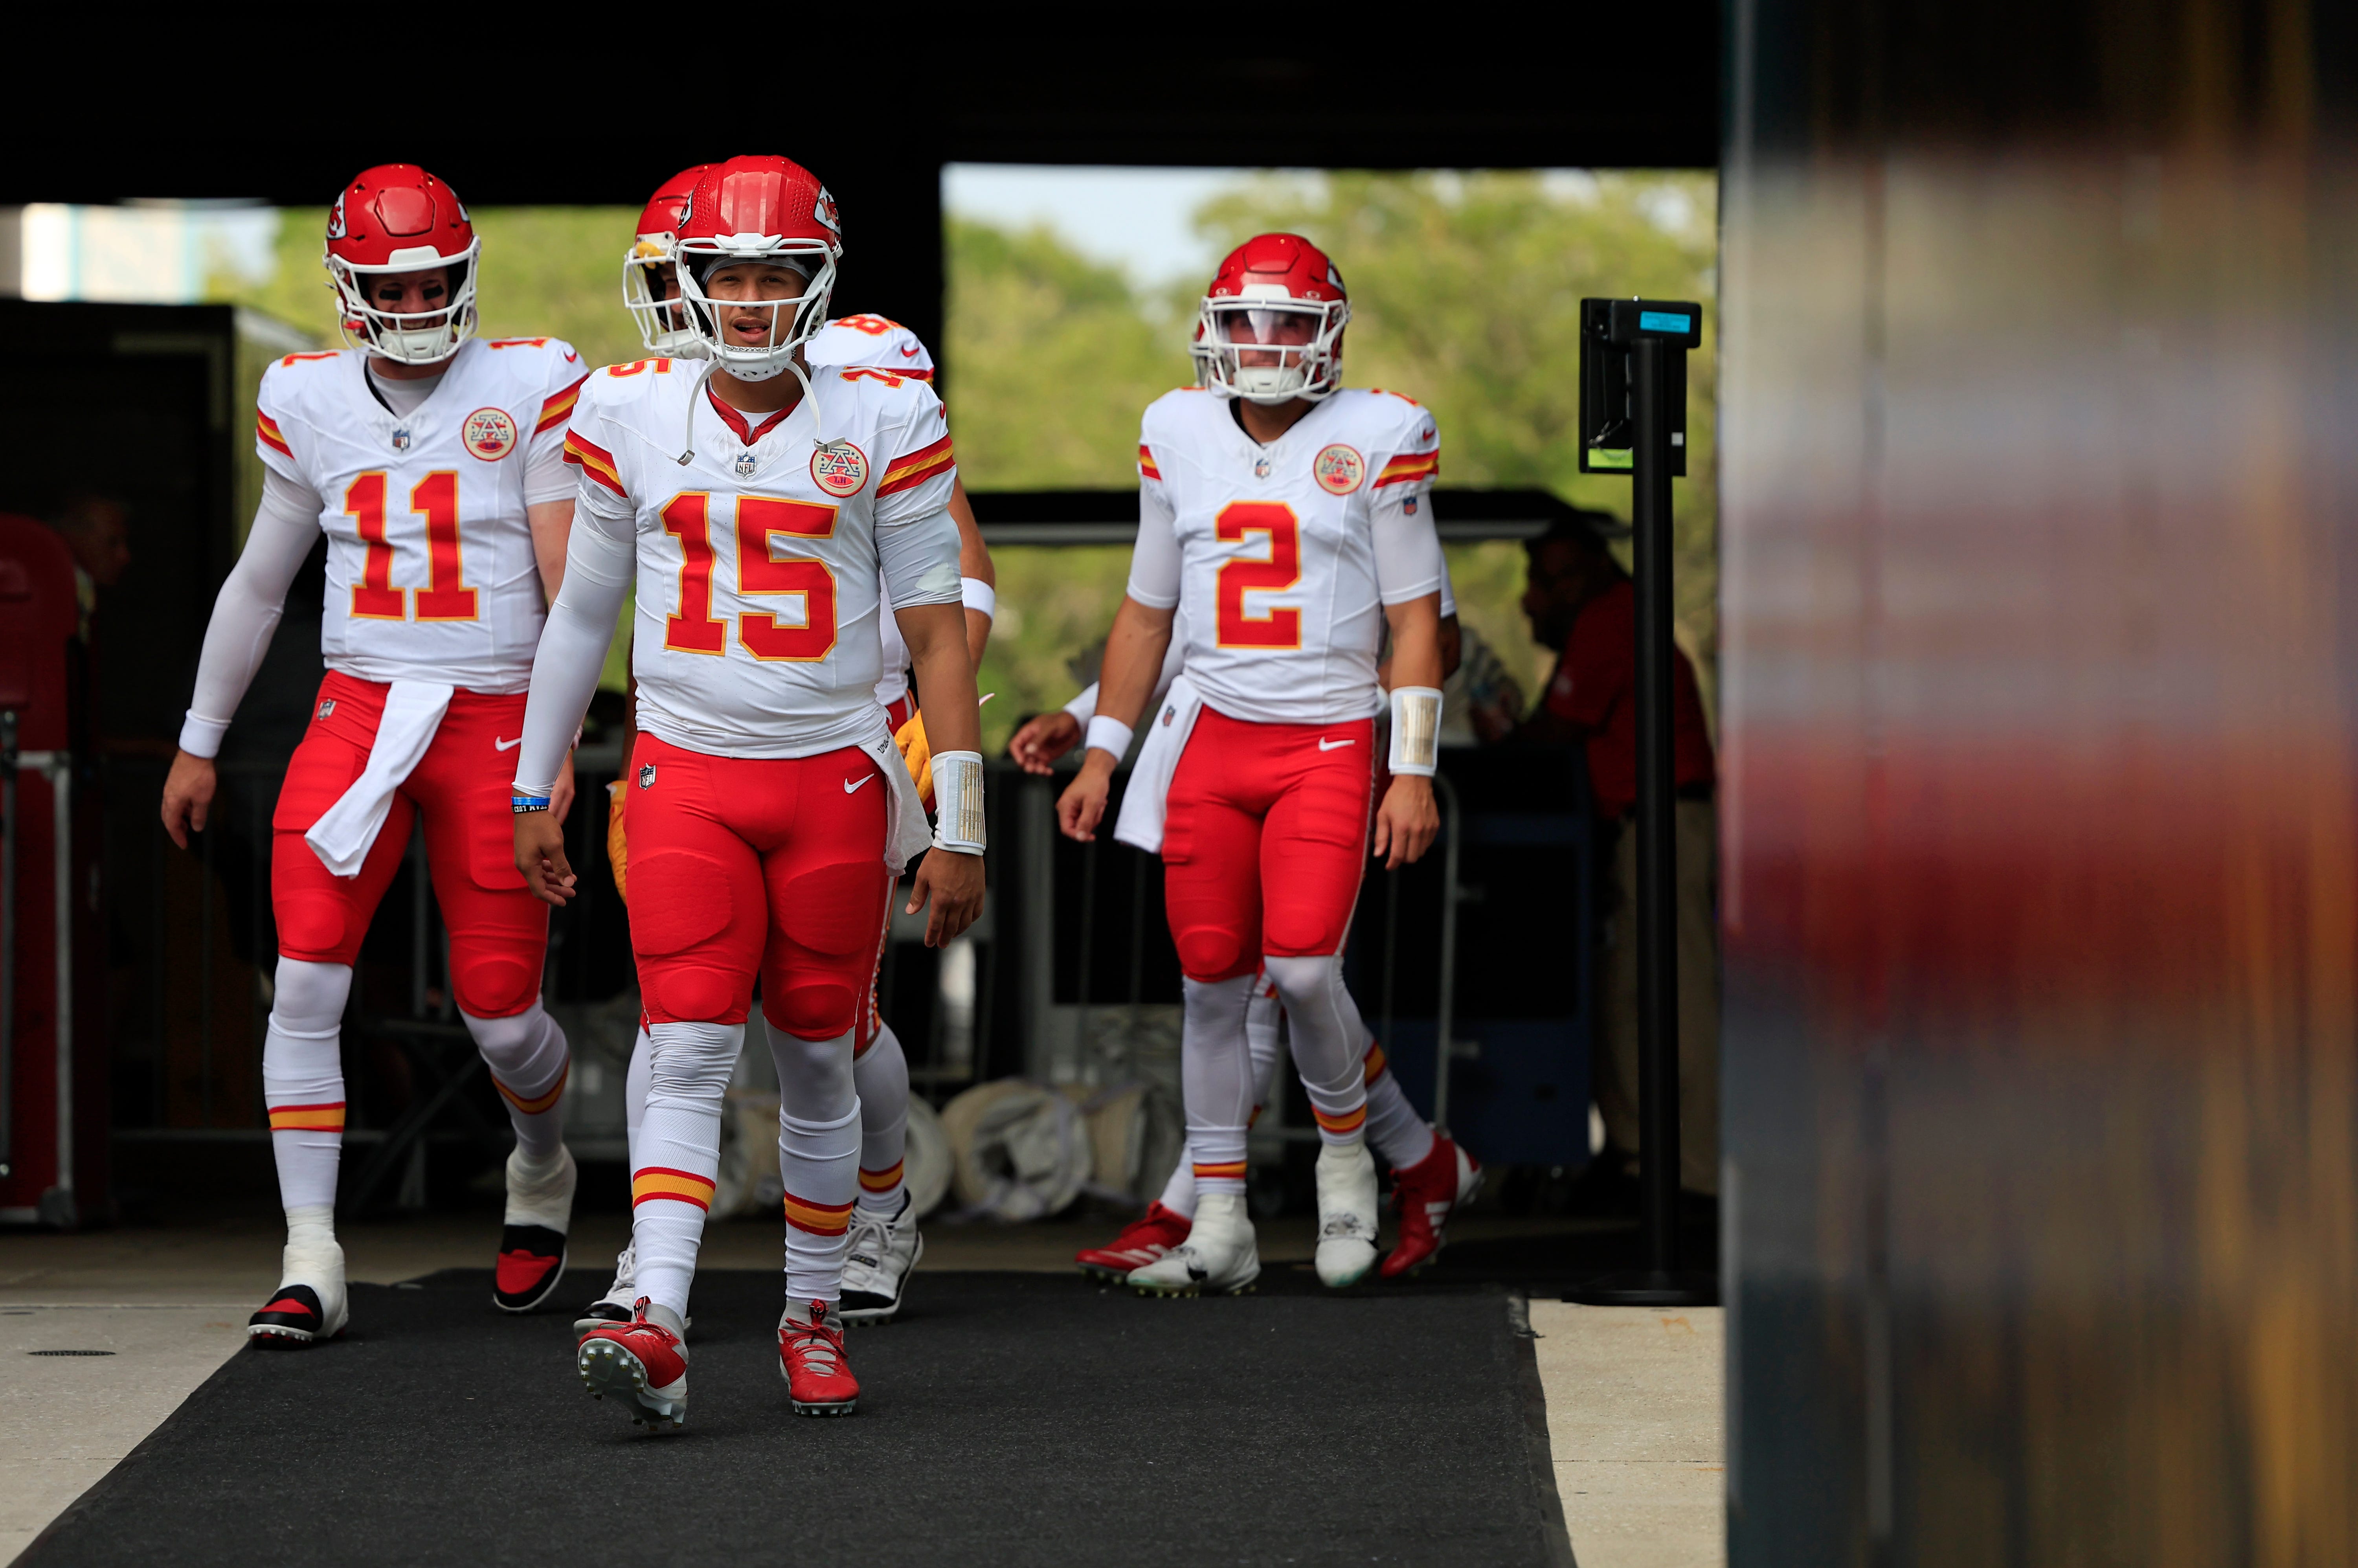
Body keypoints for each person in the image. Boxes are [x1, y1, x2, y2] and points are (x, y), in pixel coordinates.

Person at [512, 154, 985, 1429]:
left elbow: (941, 633)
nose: (754, 295)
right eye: (731, 271)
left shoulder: (884, 411)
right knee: (688, 1042)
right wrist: (534, 781)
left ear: (820, 281)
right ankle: (658, 1312)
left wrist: (960, 823)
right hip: (685, 769)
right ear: (693, 279)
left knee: (819, 1056)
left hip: (835, 771)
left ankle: (813, 1311)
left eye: (779, 272)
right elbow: (582, 618)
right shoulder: (624, 409)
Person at [158, 165, 588, 1345]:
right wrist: (200, 740)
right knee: (304, 978)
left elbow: (571, 587)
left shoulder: (534, 379)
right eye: (396, 283)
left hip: (497, 710)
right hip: (358, 709)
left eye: (440, 278)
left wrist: (554, 755)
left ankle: (541, 1161)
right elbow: (259, 582)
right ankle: (310, 1249)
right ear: (351, 287)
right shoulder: (305, 394)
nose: (420, 301)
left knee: (501, 1013)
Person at [1057, 232, 1447, 1295]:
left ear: (1327, 334)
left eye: (1288, 322)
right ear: (1211, 329)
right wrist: (1102, 749)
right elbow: (1150, 612)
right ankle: (1219, 1219)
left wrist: (1410, 768)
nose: (1266, 343)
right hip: (1213, 735)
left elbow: (1419, 620)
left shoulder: (1381, 429)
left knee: (1308, 966)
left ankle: (1346, 1164)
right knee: (1212, 981)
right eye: (1245, 322)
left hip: (1325, 733)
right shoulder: (1175, 427)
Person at [1016, 591, 1481, 1281]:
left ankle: (1195, 1208)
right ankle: (1414, 1159)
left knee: (1287, 981)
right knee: (1247, 988)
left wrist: (1366, 717)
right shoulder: (1211, 482)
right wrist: (1088, 717)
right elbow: (1196, 633)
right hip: (1227, 759)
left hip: (1330, 754)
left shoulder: (1374, 483)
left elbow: (1435, 639)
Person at [1515, 515, 1719, 1195]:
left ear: (1592, 573)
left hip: (1664, 822)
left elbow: (1553, 732)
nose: (1535, 598)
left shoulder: (1613, 615)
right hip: (1631, 829)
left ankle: (1692, 1172)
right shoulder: (1607, 619)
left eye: (1550, 578)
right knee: (1628, 997)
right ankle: (1639, 1156)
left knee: (1676, 998)